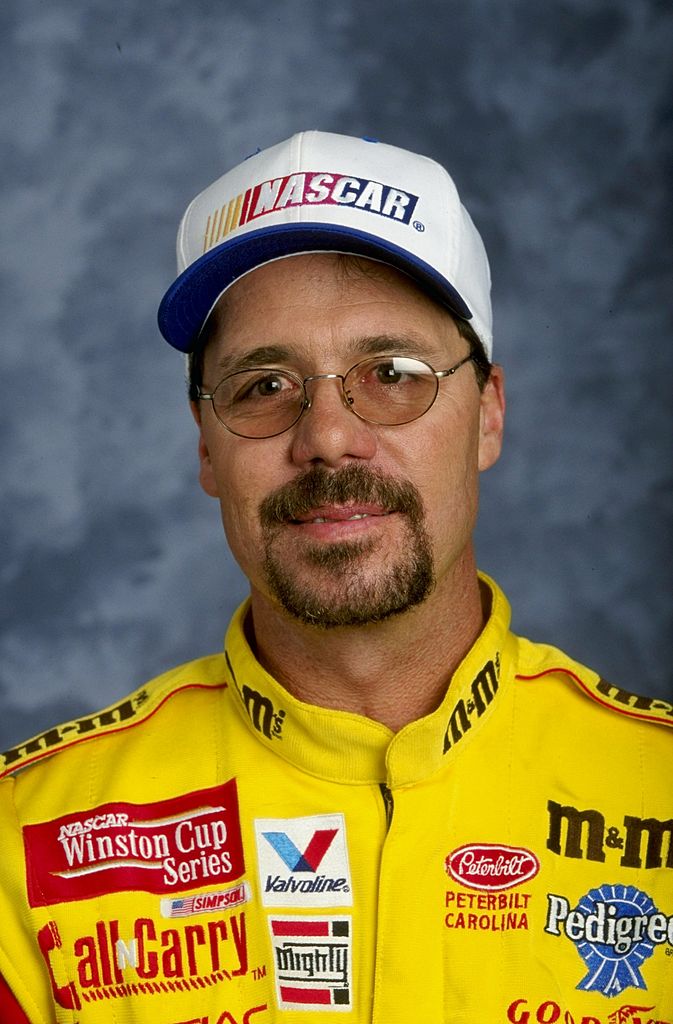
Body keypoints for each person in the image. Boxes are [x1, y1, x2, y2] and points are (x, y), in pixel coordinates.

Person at [0, 131, 671, 1024]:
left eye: (391, 375)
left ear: (488, 416)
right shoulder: (25, 844)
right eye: (262, 386)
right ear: (206, 447)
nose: (325, 436)